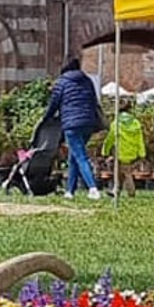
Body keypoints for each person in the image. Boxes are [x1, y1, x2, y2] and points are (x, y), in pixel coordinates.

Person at [44, 59, 102, 201]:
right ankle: (70, 190)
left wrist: (46, 118)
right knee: (74, 156)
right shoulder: (87, 81)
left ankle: (93, 188)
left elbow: (54, 103)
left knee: (81, 156)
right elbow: (94, 101)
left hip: (72, 124)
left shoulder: (62, 82)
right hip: (88, 122)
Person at [101, 105, 146, 198]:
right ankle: (116, 190)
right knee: (120, 172)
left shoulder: (116, 123)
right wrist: (142, 153)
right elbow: (140, 139)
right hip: (133, 152)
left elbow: (110, 139)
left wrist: (105, 151)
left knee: (126, 173)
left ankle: (131, 192)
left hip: (120, 152)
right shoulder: (136, 123)